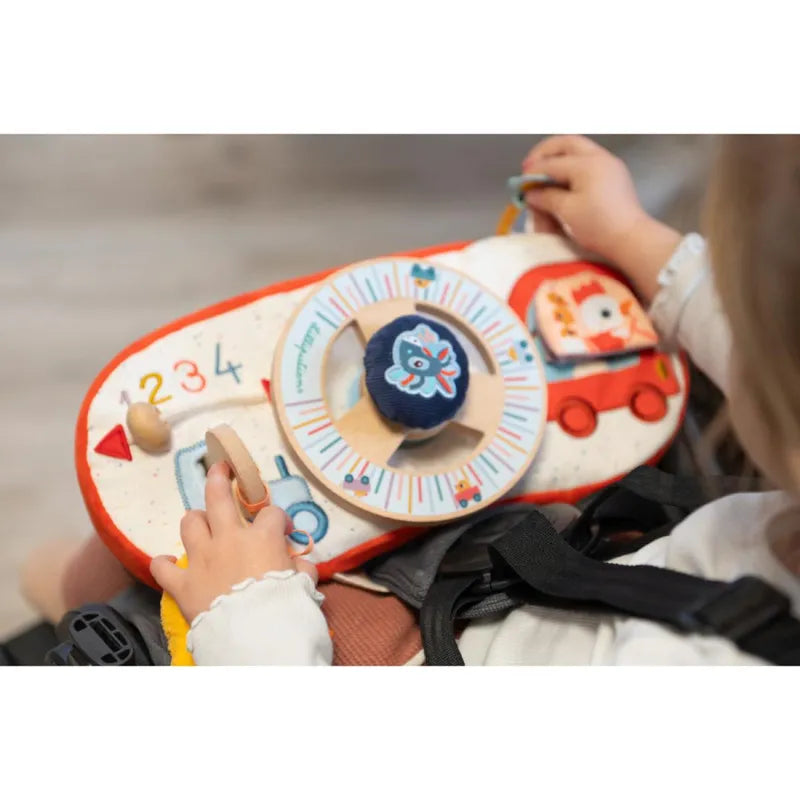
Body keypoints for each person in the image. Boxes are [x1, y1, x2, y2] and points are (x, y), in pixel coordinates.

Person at [143, 134, 800, 665]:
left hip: (437, 654)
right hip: (564, 585)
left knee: (118, 593)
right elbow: (762, 341)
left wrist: (250, 617)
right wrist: (636, 240)